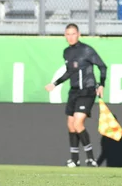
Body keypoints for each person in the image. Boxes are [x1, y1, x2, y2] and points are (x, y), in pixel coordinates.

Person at [45, 23, 107, 168]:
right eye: (68, 34)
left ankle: (91, 159)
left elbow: (102, 66)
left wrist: (102, 84)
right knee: (70, 125)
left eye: (73, 33)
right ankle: (74, 159)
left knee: (78, 123)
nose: (71, 37)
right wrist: (55, 83)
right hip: (74, 92)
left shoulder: (87, 50)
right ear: (65, 36)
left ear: (79, 34)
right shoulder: (67, 52)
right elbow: (69, 72)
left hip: (88, 90)